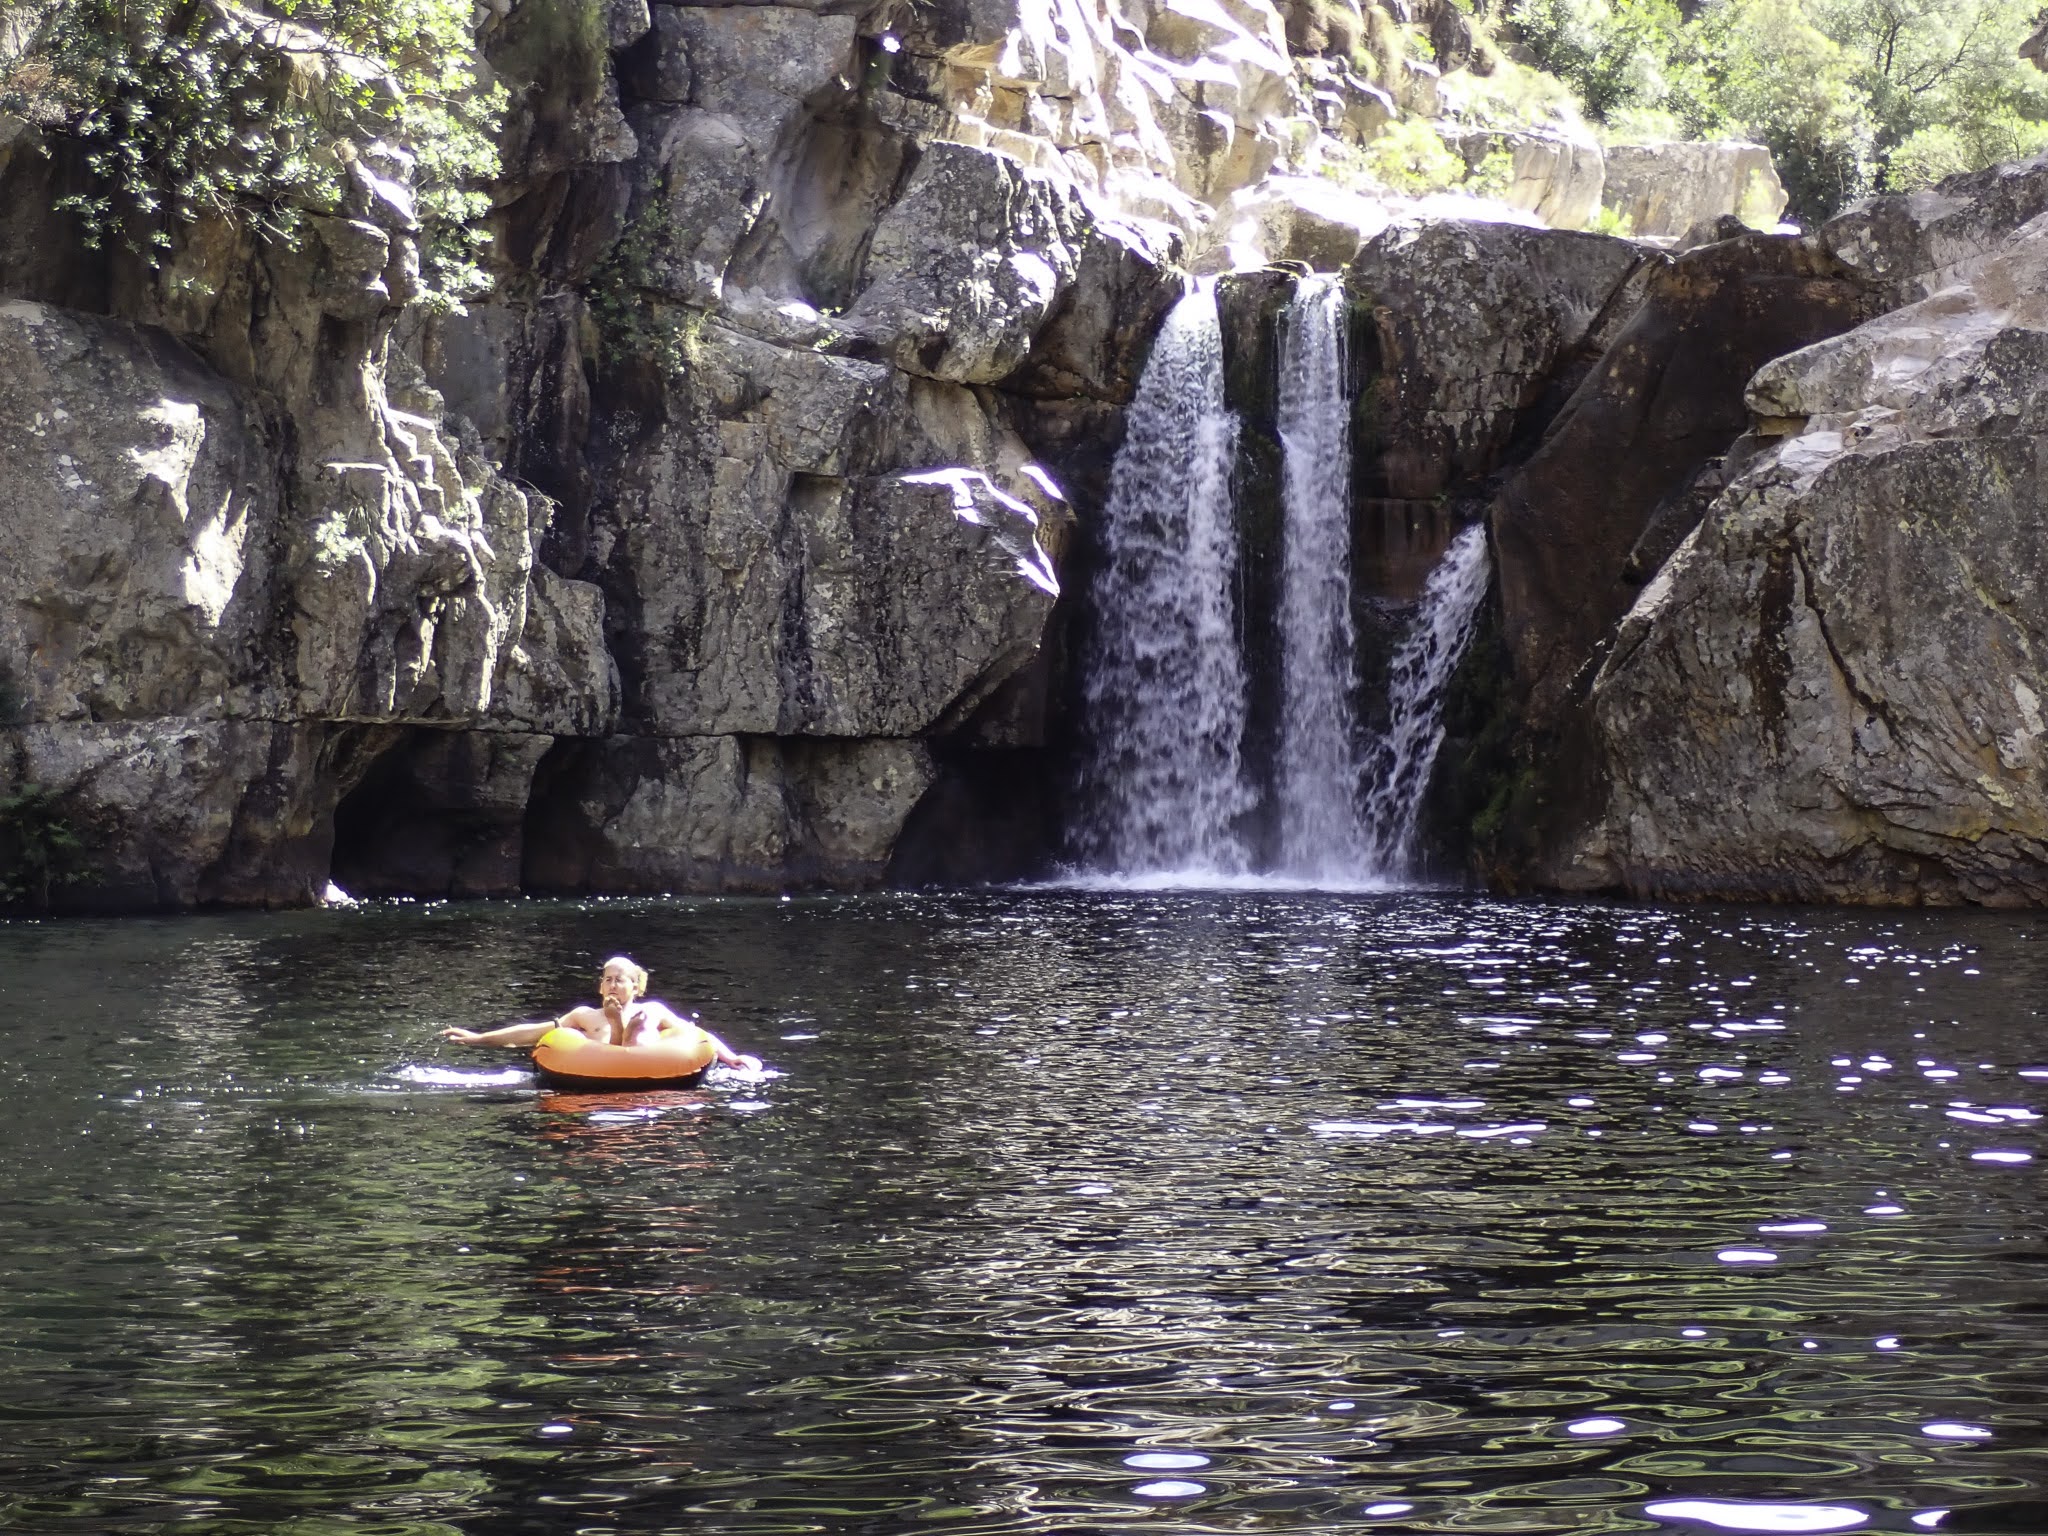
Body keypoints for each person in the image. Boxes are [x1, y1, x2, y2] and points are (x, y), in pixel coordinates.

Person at [442, 955, 763, 1070]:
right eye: (607, 980)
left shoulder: (652, 1009)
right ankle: (618, 1032)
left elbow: (697, 1036)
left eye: (619, 980)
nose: (612, 985)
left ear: (636, 986)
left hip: (650, 1067)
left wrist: (731, 1057)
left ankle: (625, 1033)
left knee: (642, 1028)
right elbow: (533, 1032)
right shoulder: (584, 1015)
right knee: (607, 1035)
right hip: (599, 1071)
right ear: (600, 987)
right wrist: (478, 1038)